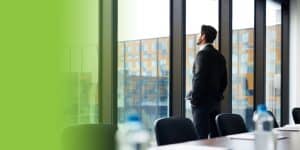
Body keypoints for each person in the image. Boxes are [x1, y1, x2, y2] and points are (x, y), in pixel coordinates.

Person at [187, 25, 227, 139]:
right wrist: (216, 96)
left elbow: (198, 78)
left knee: (201, 138)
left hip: (201, 104)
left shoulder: (202, 54)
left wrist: (194, 99)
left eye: (199, 34)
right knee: (215, 138)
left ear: (203, 36)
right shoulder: (220, 56)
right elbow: (224, 82)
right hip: (215, 103)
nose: (197, 36)